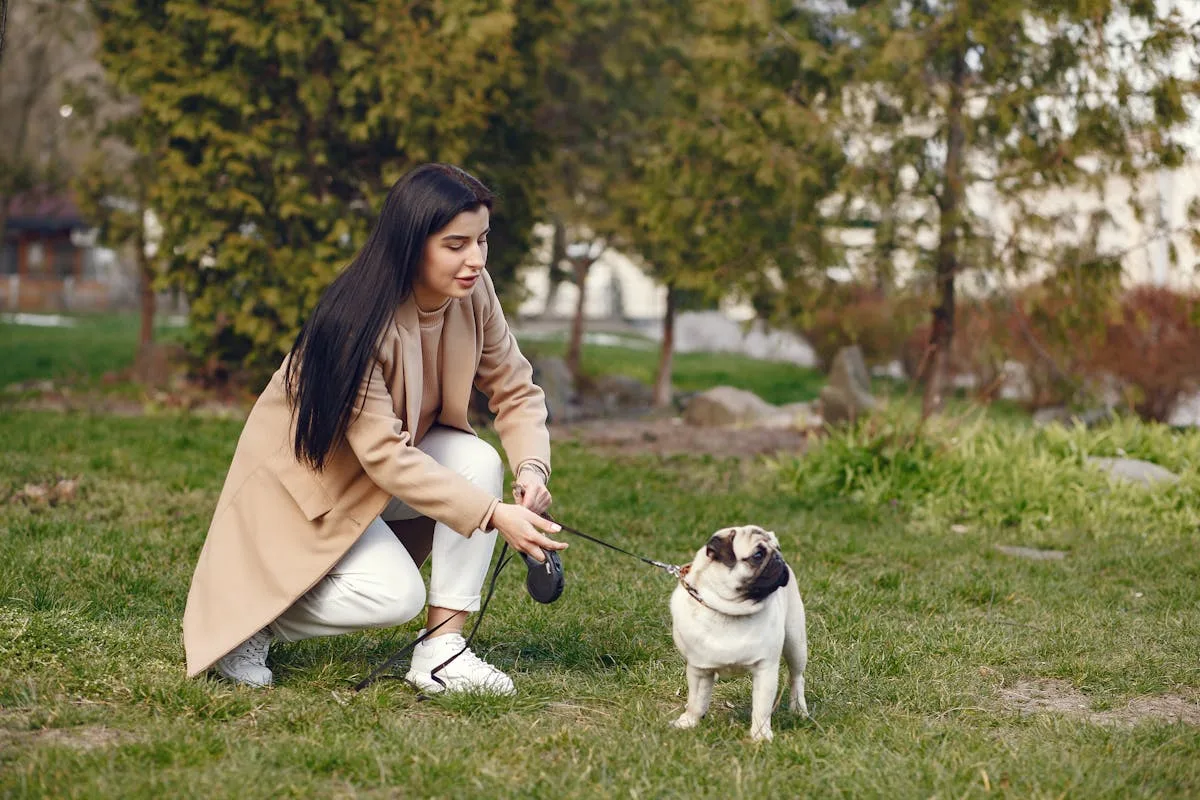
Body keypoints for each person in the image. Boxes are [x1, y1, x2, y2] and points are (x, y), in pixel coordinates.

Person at [182, 163, 566, 694]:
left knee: (479, 461)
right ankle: (249, 620)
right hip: (316, 486)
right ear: (412, 243)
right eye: (455, 244)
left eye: (482, 240)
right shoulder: (354, 322)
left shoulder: (474, 293)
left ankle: (442, 652)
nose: (475, 259)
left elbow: (515, 388)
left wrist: (531, 468)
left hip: (384, 476)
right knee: (394, 597)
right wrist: (493, 515)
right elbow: (384, 453)